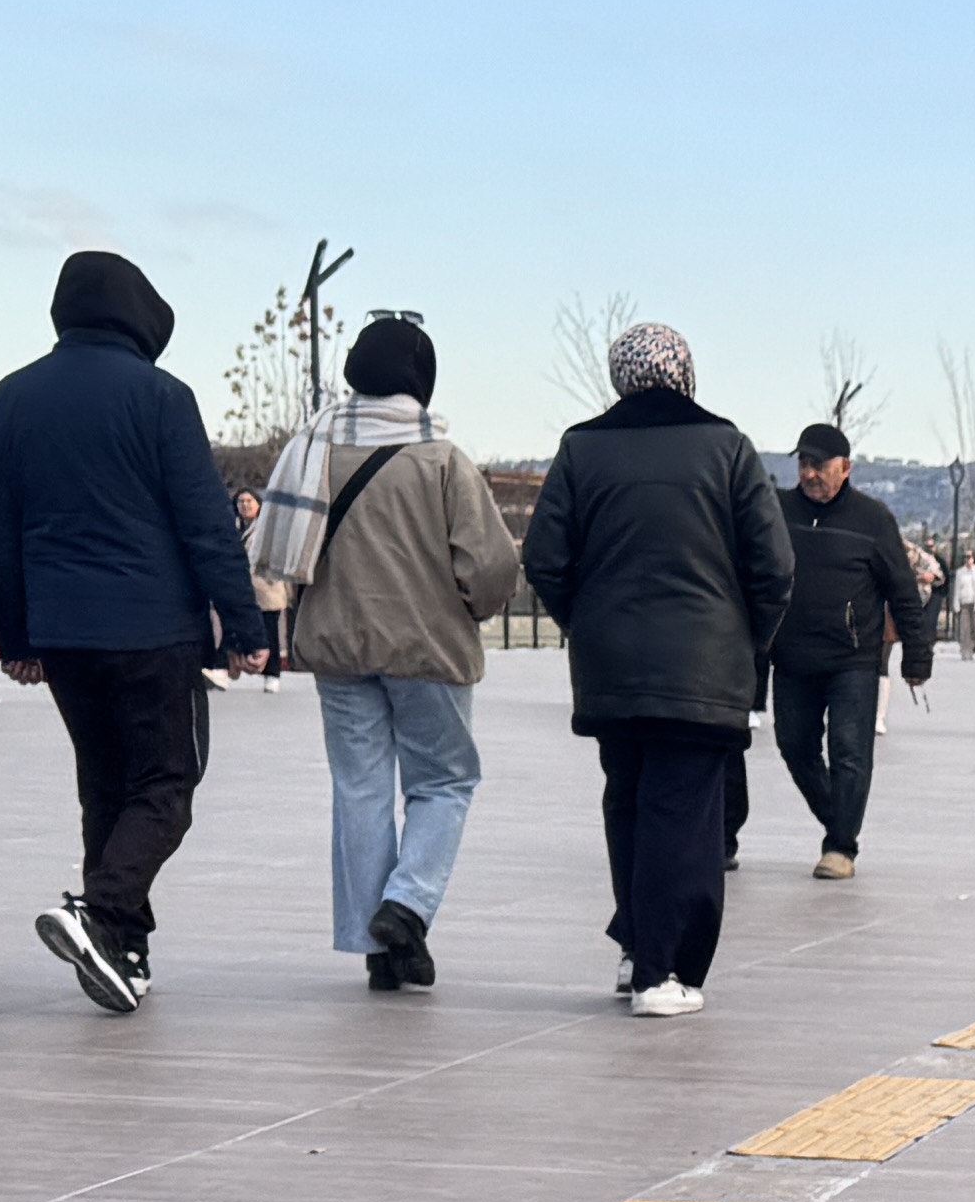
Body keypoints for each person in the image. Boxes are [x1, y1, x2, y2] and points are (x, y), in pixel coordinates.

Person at [0, 248, 257, 1013]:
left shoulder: (13, 396)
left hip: (62, 632)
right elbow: (205, 522)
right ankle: (98, 912)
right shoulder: (161, 396)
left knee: (105, 785)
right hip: (150, 626)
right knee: (167, 783)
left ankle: (123, 953)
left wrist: (16, 636)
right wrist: (243, 623)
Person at [526, 321, 788, 1016]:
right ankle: (660, 972)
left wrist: (587, 622)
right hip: (703, 667)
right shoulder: (727, 447)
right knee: (684, 815)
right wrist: (747, 640)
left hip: (611, 666)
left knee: (629, 800)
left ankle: (636, 946)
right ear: (685, 372)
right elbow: (774, 565)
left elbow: (544, 558)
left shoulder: (581, 448)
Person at [284, 313, 525, 989]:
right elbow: (491, 564)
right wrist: (471, 608)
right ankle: (408, 905)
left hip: (337, 646)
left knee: (360, 789)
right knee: (443, 781)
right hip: (427, 648)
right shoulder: (441, 459)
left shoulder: (315, 450)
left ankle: (381, 947)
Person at [765, 421, 930, 879]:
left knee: (849, 751)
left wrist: (918, 655)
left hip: (852, 659)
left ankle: (841, 847)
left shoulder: (873, 520)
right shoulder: (778, 512)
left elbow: (903, 591)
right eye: (804, 464)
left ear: (846, 468)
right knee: (794, 746)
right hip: (792, 656)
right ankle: (838, 818)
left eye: (819, 465)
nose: (810, 474)